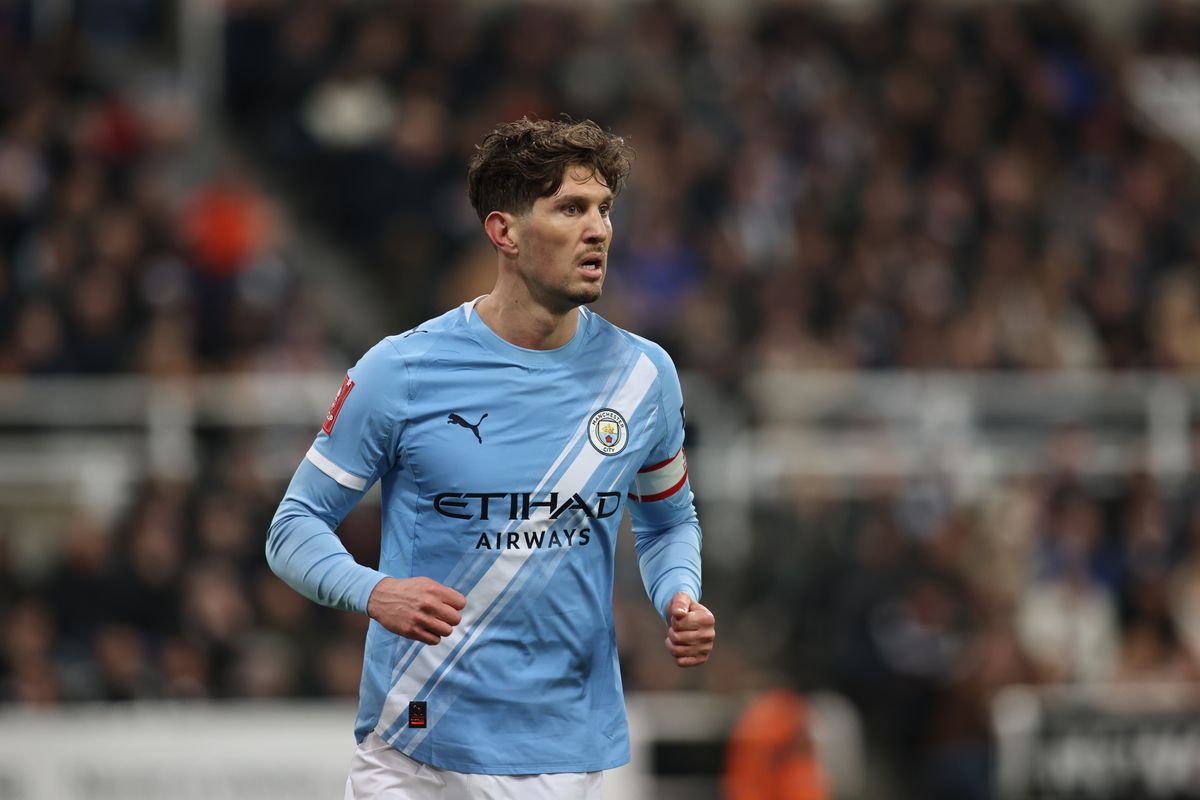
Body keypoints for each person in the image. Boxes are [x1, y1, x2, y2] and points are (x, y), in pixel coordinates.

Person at [266, 117, 715, 799]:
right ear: (504, 231)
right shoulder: (402, 371)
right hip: (414, 744)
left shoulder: (644, 377)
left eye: (604, 209)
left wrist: (678, 592)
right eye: (569, 208)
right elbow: (293, 527)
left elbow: (666, 520)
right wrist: (375, 590)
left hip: (561, 751)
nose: (598, 230)